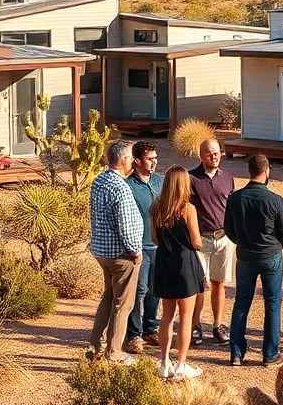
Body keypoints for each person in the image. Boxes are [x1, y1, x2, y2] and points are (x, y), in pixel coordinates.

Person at [223, 154, 283, 367]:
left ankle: (236, 352)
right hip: (270, 256)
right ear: (267, 171)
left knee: (242, 303)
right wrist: (275, 245)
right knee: (272, 304)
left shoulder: (235, 199)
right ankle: (270, 354)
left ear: (250, 170)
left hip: (245, 256)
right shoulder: (275, 200)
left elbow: (229, 230)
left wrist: (242, 242)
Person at [86, 140, 145, 365]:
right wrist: (136, 251)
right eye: (131, 158)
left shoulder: (99, 180)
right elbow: (127, 225)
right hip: (121, 255)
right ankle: (114, 353)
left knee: (108, 297)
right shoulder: (120, 187)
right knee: (123, 304)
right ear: (122, 161)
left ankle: (95, 347)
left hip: (102, 251)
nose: (133, 161)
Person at [151, 164, 206, 381]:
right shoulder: (187, 209)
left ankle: (164, 361)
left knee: (166, 316)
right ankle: (181, 364)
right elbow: (197, 242)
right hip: (184, 264)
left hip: (164, 262)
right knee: (186, 318)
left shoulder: (157, 207)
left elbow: (155, 239)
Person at [189, 138, 236, 346]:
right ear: (201, 156)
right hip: (200, 239)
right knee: (199, 285)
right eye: (209, 153)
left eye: (217, 153)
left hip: (224, 238)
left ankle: (218, 326)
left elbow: (232, 206)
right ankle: (195, 326)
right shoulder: (191, 178)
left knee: (219, 283)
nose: (214, 156)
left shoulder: (228, 177)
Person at [124, 140, 164, 354]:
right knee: (138, 291)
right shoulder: (128, 185)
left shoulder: (161, 181)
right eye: (150, 159)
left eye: (156, 158)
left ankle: (150, 328)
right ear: (137, 161)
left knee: (155, 291)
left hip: (160, 246)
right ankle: (134, 334)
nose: (154, 162)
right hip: (138, 247)